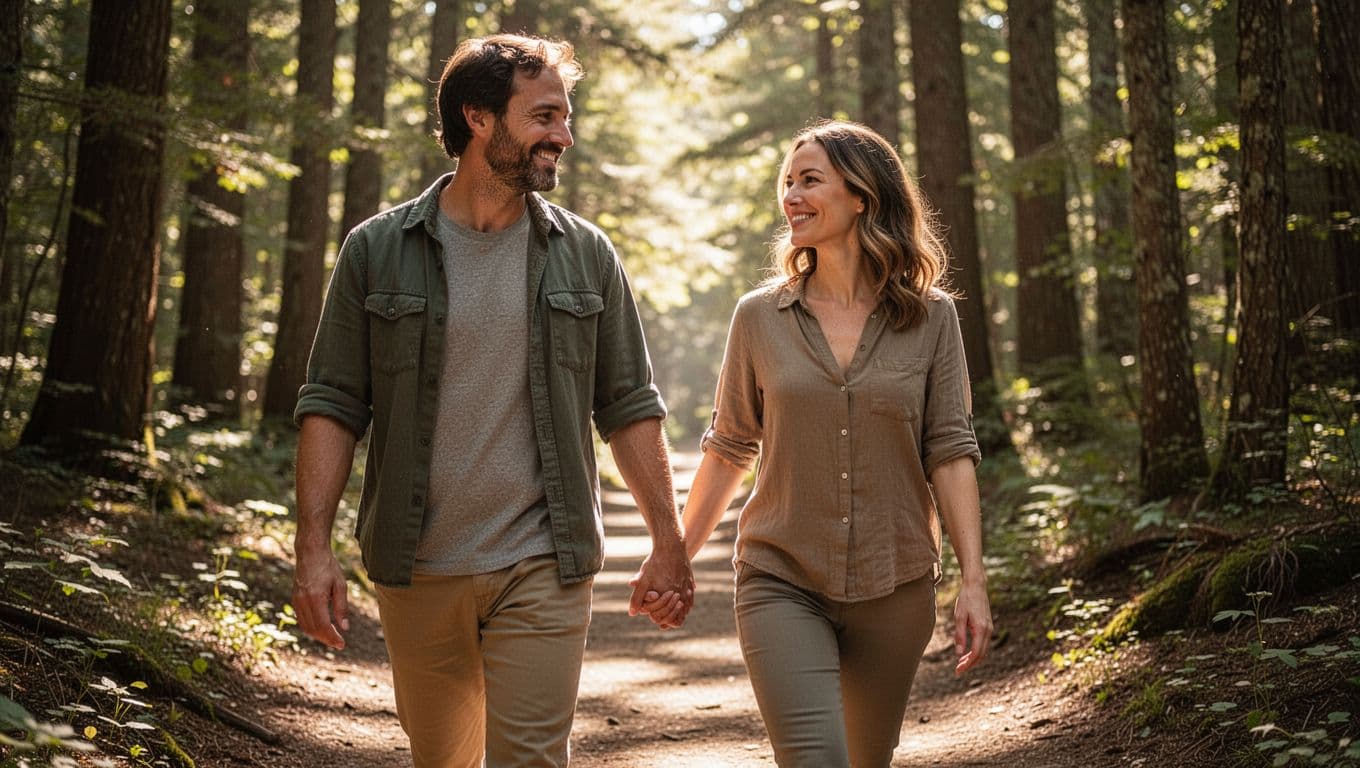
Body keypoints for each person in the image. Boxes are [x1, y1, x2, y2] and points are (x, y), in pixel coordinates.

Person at [290, 34, 693, 768]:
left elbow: (629, 404)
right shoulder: (376, 250)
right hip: (418, 565)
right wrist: (311, 548)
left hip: (543, 557)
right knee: (443, 757)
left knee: (533, 757)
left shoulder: (586, 254)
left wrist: (669, 541)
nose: (562, 137)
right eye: (544, 117)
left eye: (566, 118)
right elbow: (333, 404)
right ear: (478, 118)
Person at [668, 120, 993, 767]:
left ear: (863, 195)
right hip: (780, 578)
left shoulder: (933, 319)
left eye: (809, 180)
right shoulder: (759, 317)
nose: (791, 195)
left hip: (896, 585)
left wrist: (975, 581)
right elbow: (730, 445)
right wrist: (675, 556)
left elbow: (950, 451)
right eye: (787, 183)